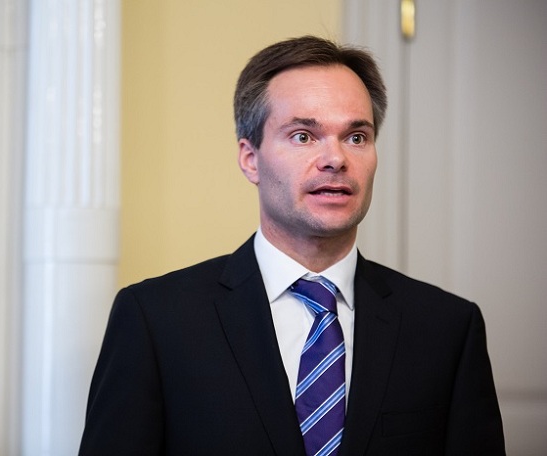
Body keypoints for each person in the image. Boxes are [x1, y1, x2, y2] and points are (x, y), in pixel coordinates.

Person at [78, 36, 505, 455]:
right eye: (303, 136)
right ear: (250, 159)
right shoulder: (156, 319)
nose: (336, 159)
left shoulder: (447, 328)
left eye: (356, 137)